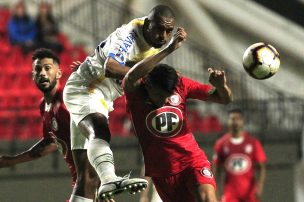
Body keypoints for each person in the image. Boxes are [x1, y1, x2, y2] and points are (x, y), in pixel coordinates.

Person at [63, 5, 177, 201]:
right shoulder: (129, 36)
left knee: (88, 178)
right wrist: (151, 71)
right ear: (148, 24)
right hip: (87, 90)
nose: (164, 36)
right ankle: (109, 179)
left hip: (101, 98)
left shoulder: (153, 44)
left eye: (168, 31)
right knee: (99, 130)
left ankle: (104, 181)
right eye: (159, 29)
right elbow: (110, 66)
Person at [123, 27, 232, 202]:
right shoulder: (135, 92)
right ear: (148, 85)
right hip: (163, 173)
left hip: (192, 161)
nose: (165, 101)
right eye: (160, 96)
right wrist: (169, 49)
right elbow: (131, 75)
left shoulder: (181, 84)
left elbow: (224, 98)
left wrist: (221, 85)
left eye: (168, 97)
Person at [0, 48, 99, 202]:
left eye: (47, 68)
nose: (42, 73)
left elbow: (92, 140)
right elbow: (50, 142)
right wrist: (12, 161)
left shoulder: (65, 105)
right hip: (80, 184)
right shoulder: (44, 106)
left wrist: (99, 186)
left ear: (58, 73)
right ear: (33, 76)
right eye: (38, 69)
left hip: (88, 186)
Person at [212, 109, 267, 202]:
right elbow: (216, 169)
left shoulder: (253, 143)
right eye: (232, 119)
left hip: (250, 193)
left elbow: (262, 167)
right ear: (228, 121)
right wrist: (216, 191)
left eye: (238, 119)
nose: (235, 122)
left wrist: (259, 187)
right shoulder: (221, 143)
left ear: (243, 121)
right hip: (230, 193)